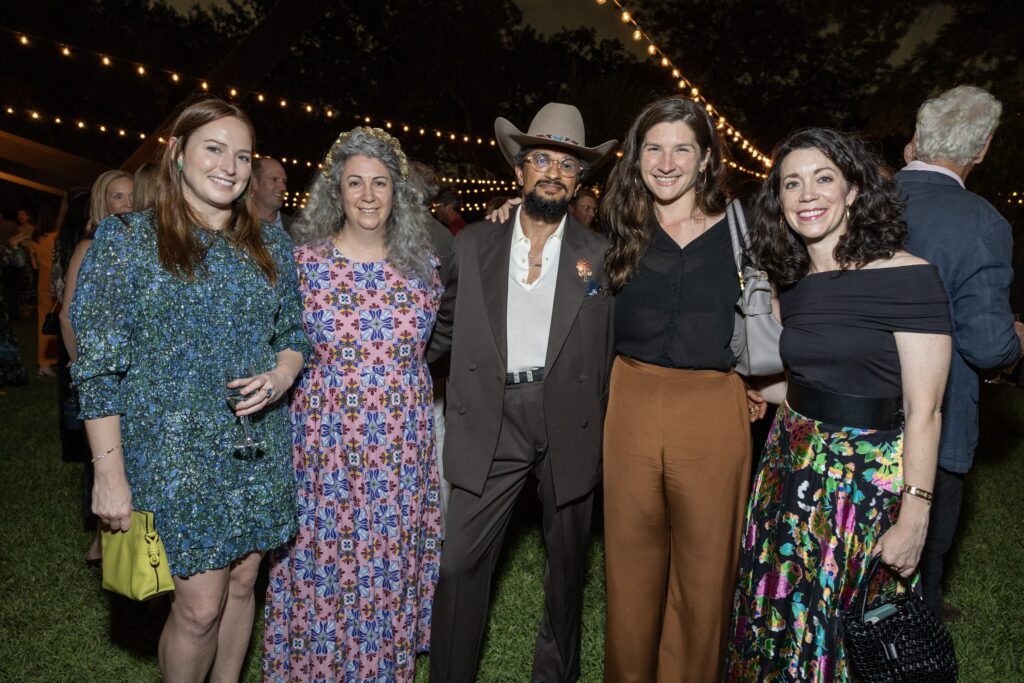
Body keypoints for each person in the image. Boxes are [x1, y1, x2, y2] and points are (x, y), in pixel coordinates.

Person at [71, 96, 309, 681]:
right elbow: (97, 367)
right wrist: (108, 474)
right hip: (174, 456)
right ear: (176, 153)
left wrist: (282, 373)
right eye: (214, 148)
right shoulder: (127, 240)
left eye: (243, 155)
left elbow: (293, 332)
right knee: (199, 607)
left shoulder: (272, 244)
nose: (230, 165)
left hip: (258, 444)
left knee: (246, 581)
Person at [727, 128, 952, 680]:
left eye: (824, 178)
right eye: (792, 183)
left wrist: (916, 513)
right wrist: (755, 390)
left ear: (853, 190)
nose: (808, 194)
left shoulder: (909, 277)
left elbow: (925, 409)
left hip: (862, 486)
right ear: (778, 200)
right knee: (778, 615)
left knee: (843, 629)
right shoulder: (794, 280)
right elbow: (810, 382)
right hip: (787, 472)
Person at [428, 102, 617, 683]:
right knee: (459, 563)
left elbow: (613, 350)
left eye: (566, 164)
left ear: (579, 180)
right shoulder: (473, 245)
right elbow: (440, 331)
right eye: (541, 159)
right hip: (492, 414)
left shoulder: (603, 257)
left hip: (569, 418)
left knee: (566, 570)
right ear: (519, 171)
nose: (553, 173)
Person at [263, 127, 442, 683]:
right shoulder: (303, 264)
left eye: (380, 183)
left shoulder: (423, 268)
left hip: (399, 450)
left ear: (398, 192)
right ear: (334, 191)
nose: (368, 195)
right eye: (355, 182)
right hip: (324, 447)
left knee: (386, 564)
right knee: (322, 563)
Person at [600, 95, 763, 682]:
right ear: (636, 156)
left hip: (714, 408)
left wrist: (767, 382)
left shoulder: (748, 228)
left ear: (705, 160)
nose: (666, 162)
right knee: (630, 566)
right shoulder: (616, 227)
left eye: (682, 149)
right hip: (631, 402)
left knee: (705, 571)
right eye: (654, 148)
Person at [898, 85, 1024, 620]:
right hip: (936, 410)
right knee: (927, 529)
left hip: (851, 406)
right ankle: (916, 627)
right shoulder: (980, 222)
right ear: (983, 148)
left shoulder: (858, 197)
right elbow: (988, 344)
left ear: (918, 137)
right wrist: (1018, 335)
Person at [60, 170, 135, 561]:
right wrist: (80, 366)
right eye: (118, 196)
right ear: (102, 203)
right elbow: (68, 316)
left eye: (132, 196)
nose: (126, 204)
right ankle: (104, 544)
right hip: (101, 371)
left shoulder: (141, 245)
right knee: (106, 455)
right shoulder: (89, 248)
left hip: (134, 376)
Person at [408, 159, 455, 521]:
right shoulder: (442, 234)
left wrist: (421, 356)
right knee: (434, 443)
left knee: (431, 444)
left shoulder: (435, 237)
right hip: (430, 363)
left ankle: (432, 522)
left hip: (423, 367)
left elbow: (449, 308)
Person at [29, 200, 62, 376]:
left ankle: (44, 362)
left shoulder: (36, 238)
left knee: (44, 319)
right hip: (55, 282)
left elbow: (34, 264)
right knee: (59, 319)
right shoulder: (57, 237)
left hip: (42, 281)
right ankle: (55, 359)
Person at [251, 157, 293, 233]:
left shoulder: (298, 229)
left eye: (284, 181)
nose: (283, 187)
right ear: (254, 183)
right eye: (274, 179)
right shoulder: (231, 225)